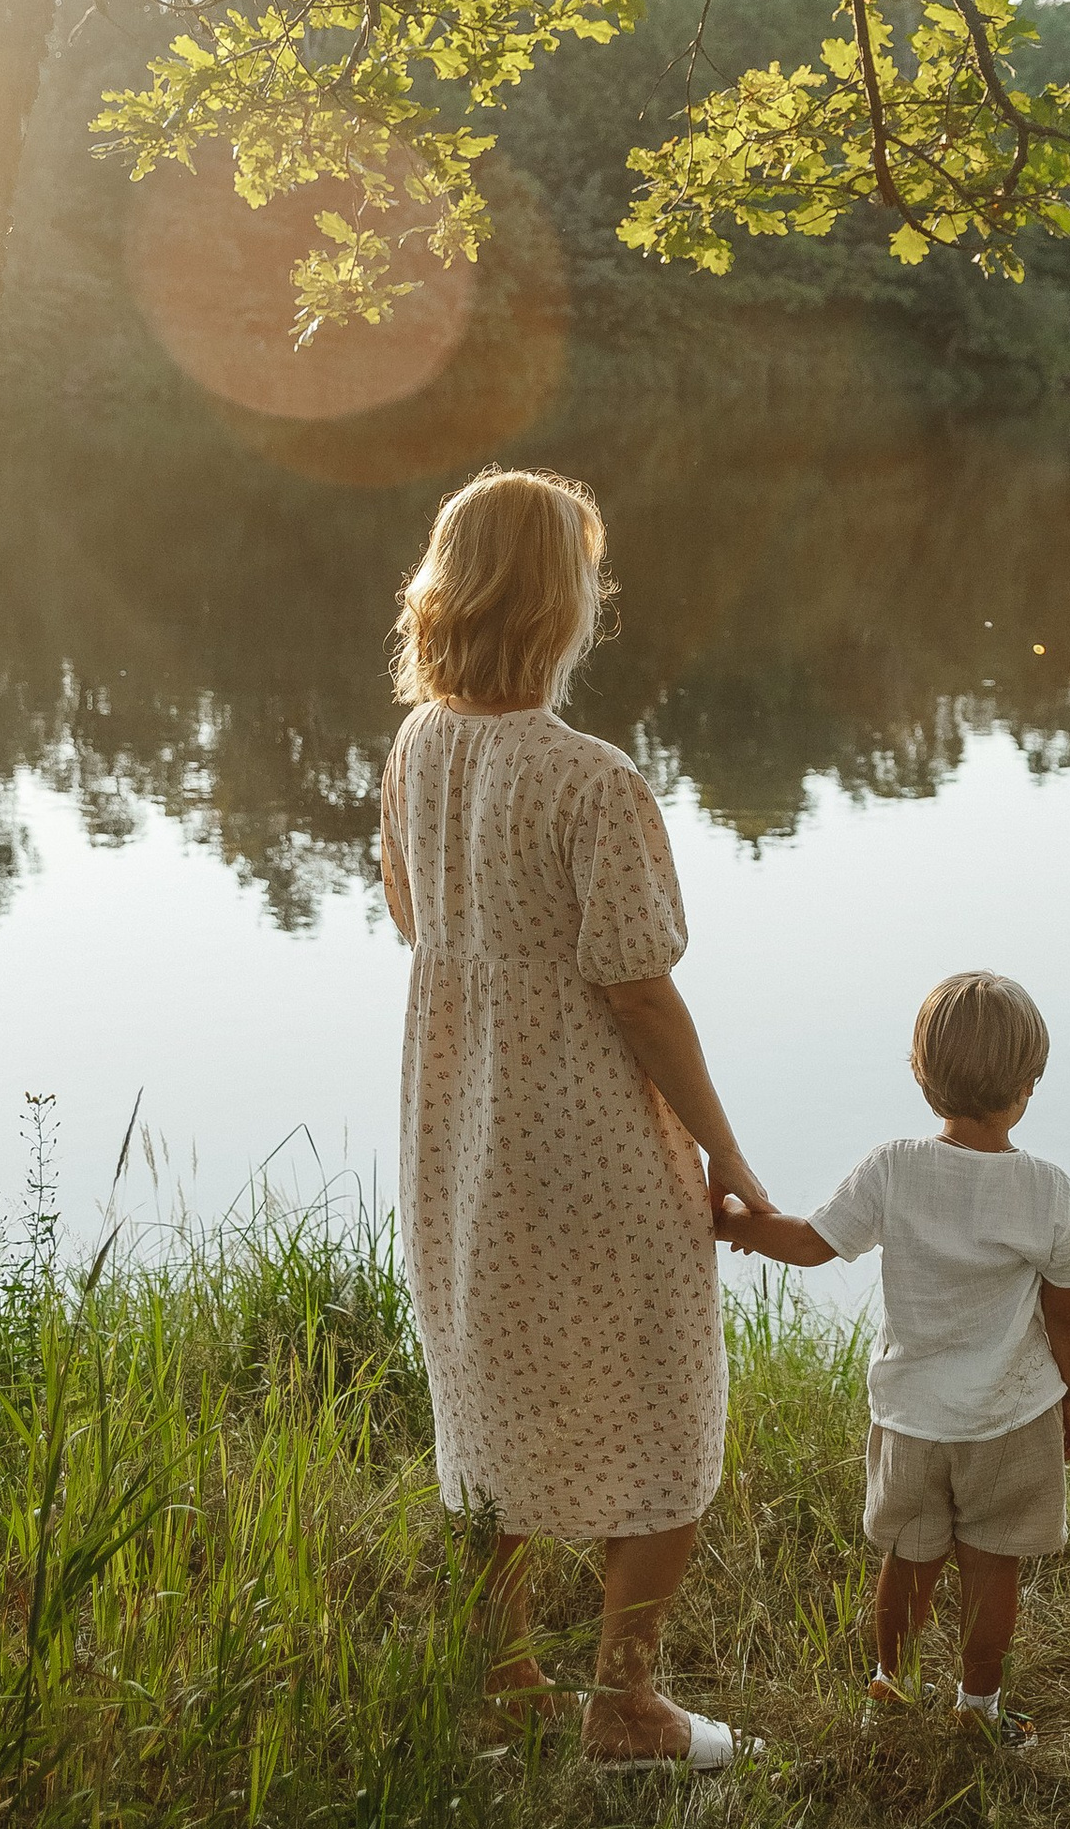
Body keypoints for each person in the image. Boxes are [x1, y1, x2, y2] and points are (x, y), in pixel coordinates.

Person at [379, 466, 772, 1772]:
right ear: (562, 604)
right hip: (586, 1123)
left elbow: (410, 916)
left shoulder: (418, 747)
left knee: (490, 1382)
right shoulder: (594, 781)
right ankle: (624, 1705)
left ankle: (504, 1682)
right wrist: (726, 1154)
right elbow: (638, 990)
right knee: (664, 1405)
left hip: (456, 1123)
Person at [724, 972, 1070, 1750]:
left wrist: (737, 1224)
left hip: (912, 1422)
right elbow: (1068, 1309)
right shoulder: (1047, 1191)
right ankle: (978, 1709)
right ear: (1028, 1086)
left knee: (908, 1560)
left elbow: (812, 1244)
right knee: (993, 1568)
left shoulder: (893, 1167)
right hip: (1010, 1419)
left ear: (923, 1078)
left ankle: (890, 1692)